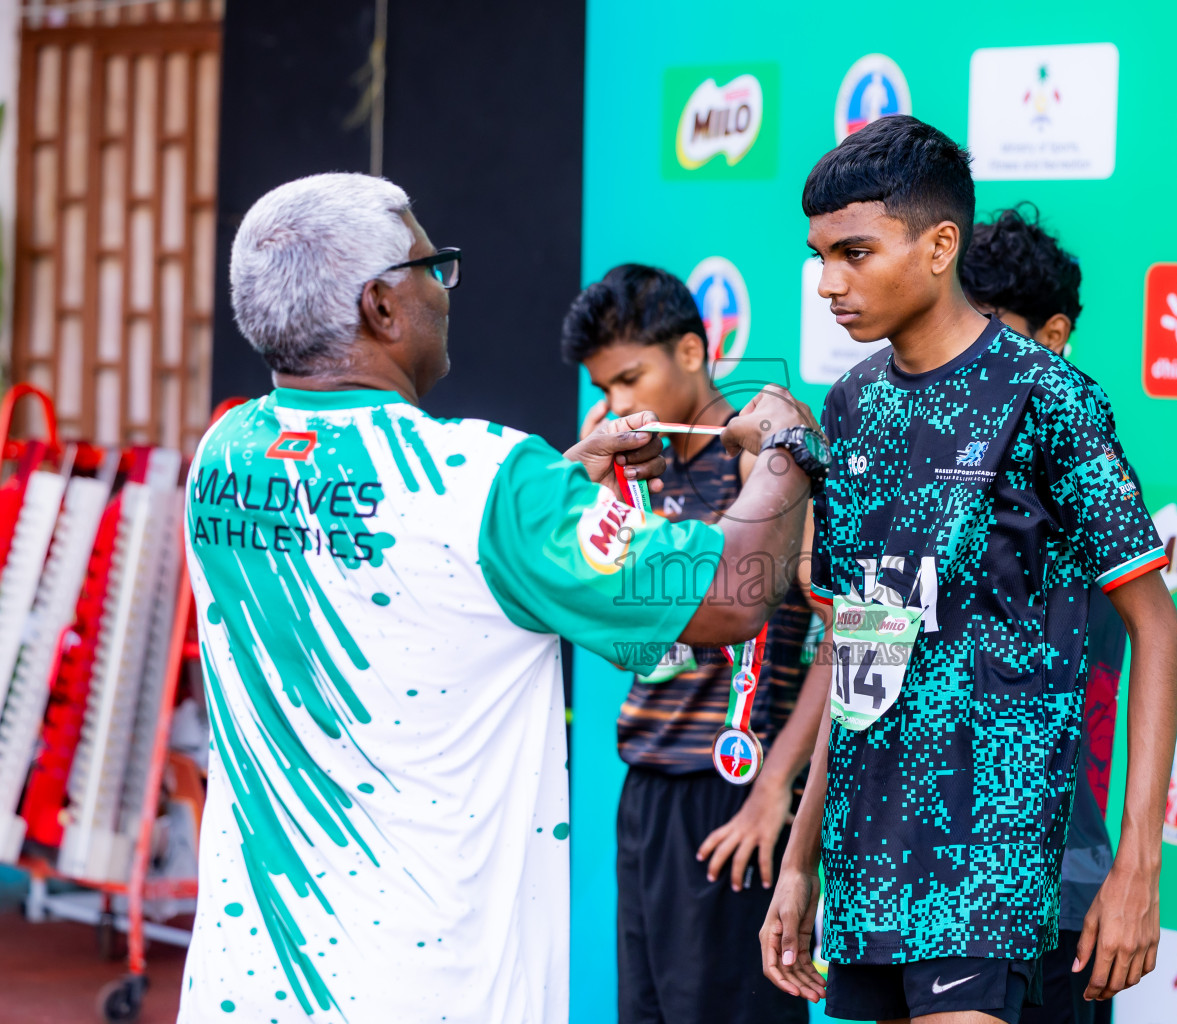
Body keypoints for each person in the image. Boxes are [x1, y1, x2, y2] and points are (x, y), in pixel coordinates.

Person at [180, 173, 820, 1024]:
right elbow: (736, 598)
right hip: (431, 987)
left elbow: (416, 562)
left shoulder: (222, 457)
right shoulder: (487, 484)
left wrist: (561, 498)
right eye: (430, 267)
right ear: (380, 306)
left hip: (246, 983)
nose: (445, 290)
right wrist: (785, 443)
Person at [758, 116, 1177, 1024]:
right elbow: (863, 648)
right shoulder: (855, 402)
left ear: (940, 245)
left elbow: (1157, 628)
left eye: (856, 253)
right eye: (819, 256)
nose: (829, 283)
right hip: (873, 856)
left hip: (993, 861)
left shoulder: (1047, 394)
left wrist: (1137, 866)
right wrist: (802, 860)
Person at [560, 264, 831, 1024]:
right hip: (646, 787)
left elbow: (844, 638)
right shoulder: (622, 469)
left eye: (629, 378)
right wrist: (587, 474)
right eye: (604, 387)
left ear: (689, 351)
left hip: (729, 795)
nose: (616, 403)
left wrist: (774, 792)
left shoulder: (761, 462)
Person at [962, 203, 1123, 1024]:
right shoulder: (924, 453)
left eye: (989, 327)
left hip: (1056, 894)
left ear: (1054, 335)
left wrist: (1134, 872)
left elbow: (1159, 634)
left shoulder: (1081, 472)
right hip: (929, 886)